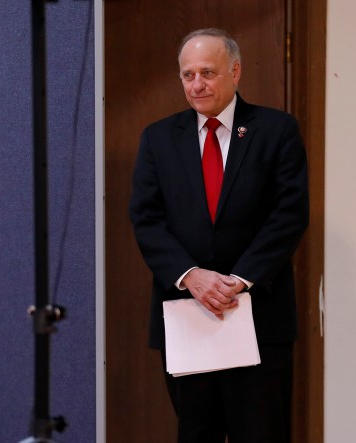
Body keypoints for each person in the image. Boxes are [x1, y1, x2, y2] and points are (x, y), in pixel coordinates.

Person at [129, 28, 309, 443]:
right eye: (188, 75)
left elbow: (289, 214)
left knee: (262, 433)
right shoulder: (158, 138)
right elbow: (146, 218)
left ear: (235, 71)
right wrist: (191, 275)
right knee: (197, 433)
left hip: (258, 312)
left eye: (207, 72)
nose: (197, 84)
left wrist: (238, 279)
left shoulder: (276, 130)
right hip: (187, 316)